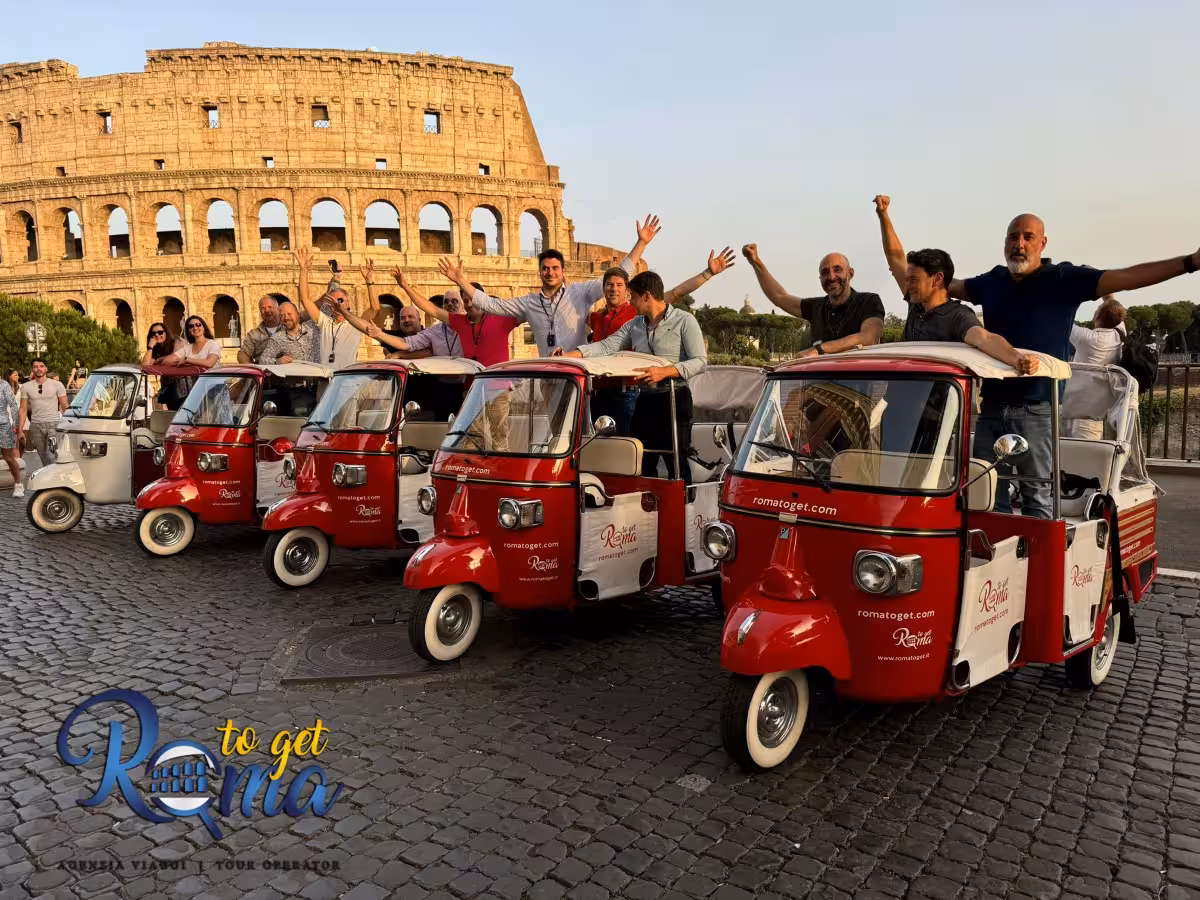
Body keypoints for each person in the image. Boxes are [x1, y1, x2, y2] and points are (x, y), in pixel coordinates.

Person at [878, 193, 1200, 517]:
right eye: (1013, 236)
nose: (1019, 243)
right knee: (986, 495)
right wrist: (885, 218)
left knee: (1037, 497)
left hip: (1037, 408)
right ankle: (999, 565)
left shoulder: (1063, 279)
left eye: (1028, 237)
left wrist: (1189, 263)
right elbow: (918, 276)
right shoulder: (992, 282)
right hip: (991, 408)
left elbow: (1126, 278)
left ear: (1042, 243)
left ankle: (1040, 565)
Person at [558, 271, 707, 483]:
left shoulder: (685, 320)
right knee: (642, 460)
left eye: (633, 297)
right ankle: (648, 510)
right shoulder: (634, 325)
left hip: (675, 399)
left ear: (646, 296)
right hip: (644, 400)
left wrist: (664, 371)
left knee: (677, 460)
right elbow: (606, 346)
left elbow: (701, 361)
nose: (631, 302)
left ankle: (683, 508)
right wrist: (568, 355)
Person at [440, 216, 661, 356]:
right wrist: (461, 281)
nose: (550, 272)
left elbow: (619, 274)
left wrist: (641, 243)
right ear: (540, 272)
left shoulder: (580, 293)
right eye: (546, 268)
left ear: (563, 272)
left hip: (577, 368)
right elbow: (491, 305)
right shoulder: (530, 303)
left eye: (555, 268)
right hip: (548, 369)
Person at [742, 244, 884, 357]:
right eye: (825, 272)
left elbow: (868, 338)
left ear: (851, 273)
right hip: (819, 389)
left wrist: (818, 350)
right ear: (820, 279)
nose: (831, 277)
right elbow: (779, 297)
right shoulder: (815, 306)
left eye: (837, 269)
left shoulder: (869, 301)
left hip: (860, 390)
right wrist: (756, 262)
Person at [294, 248, 364, 367]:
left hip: (346, 378)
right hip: (324, 377)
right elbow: (305, 299)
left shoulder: (356, 325)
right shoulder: (325, 322)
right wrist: (304, 270)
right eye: (332, 302)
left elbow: (375, 308)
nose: (337, 304)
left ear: (349, 304)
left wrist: (370, 282)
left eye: (340, 301)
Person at [18, 358, 68, 468]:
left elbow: (65, 406)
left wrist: (69, 424)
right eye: (35, 366)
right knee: (43, 456)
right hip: (36, 425)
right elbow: (23, 408)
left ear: (46, 368)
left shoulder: (57, 385)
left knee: (51, 455)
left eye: (41, 366)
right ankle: (50, 478)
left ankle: (55, 477)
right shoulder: (26, 387)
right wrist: (20, 430)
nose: (38, 369)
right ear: (32, 369)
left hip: (53, 424)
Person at [1070, 296, 1127, 367]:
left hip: (1080, 378)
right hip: (1108, 377)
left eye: (1098, 308)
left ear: (1097, 316)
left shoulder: (1087, 337)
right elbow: (1113, 305)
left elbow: (1062, 321)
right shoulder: (1120, 333)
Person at [237, 295, 284, 363]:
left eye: (270, 307)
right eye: (263, 308)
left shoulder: (287, 327)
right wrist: (250, 368)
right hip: (263, 370)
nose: (267, 310)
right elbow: (243, 353)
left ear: (278, 309)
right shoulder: (253, 334)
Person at [1, 367, 21, 495]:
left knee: (8, 457)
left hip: (3, 425)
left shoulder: (4, 385)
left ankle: (18, 484)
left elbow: (13, 405)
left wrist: (16, 423)